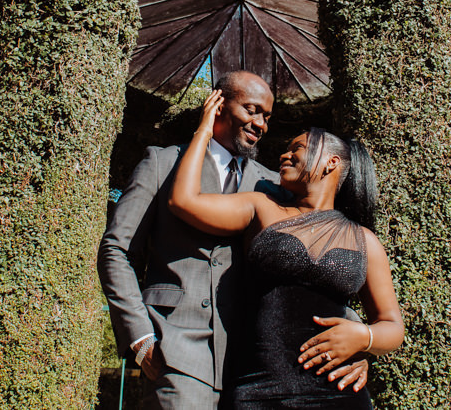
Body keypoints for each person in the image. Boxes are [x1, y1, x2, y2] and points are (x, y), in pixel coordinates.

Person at [98, 71, 368, 409]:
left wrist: (353, 339)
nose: (261, 124)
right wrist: (139, 337)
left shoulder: (275, 186)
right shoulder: (162, 163)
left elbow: (308, 268)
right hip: (176, 352)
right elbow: (117, 251)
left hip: (257, 365)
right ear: (218, 104)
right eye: (252, 110)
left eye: (267, 117)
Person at [169, 89, 404, 408]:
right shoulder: (261, 207)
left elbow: (392, 325)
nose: (284, 155)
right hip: (259, 388)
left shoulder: (364, 240)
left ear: (331, 162)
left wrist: (364, 338)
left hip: (337, 390)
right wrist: (205, 131)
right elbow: (183, 201)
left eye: (298, 148)